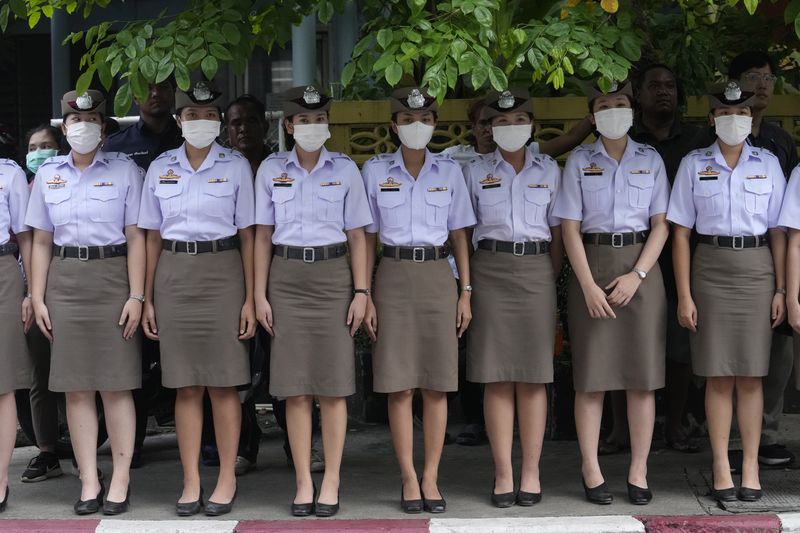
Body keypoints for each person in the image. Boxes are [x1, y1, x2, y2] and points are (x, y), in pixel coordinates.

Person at [138, 79, 256, 517]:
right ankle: (191, 481)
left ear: (219, 120)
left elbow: (249, 236)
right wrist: (145, 296)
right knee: (185, 386)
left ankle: (225, 478)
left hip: (224, 272)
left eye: (209, 115)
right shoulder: (160, 167)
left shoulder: (237, 165)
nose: (201, 122)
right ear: (178, 120)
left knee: (224, 385)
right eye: (192, 115)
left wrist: (250, 297)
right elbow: (150, 237)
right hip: (173, 274)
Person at [25, 90, 145, 515]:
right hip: (65, 281)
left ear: (104, 126)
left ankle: (122, 479)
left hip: (113, 278)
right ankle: (89, 479)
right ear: (64, 127)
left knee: (115, 385)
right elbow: (40, 239)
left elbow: (137, 237)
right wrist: (37, 296)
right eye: (75, 121)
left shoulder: (126, 171)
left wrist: (137, 294)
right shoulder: (49, 175)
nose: (83, 127)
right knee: (76, 388)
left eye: (92, 119)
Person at [254, 85, 370, 517]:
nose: (312, 127)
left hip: (333, 277)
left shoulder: (345, 169)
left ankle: (332, 479)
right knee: (296, 389)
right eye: (303, 121)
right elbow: (262, 236)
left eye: (319, 119)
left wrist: (361, 292)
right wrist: (259, 294)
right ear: (288, 125)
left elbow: (358, 234)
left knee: (333, 388)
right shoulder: (270, 169)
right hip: (285, 278)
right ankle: (304, 481)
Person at [668, 81, 786, 503]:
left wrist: (781, 287)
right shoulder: (692, 163)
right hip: (711, 267)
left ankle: (750, 464)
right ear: (712, 117)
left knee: (752, 375)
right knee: (718, 374)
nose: (734, 120)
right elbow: (679, 233)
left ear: (751, 118)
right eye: (725, 113)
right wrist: (684, 295)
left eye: (742, 113)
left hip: (757, 269)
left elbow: (778, 232)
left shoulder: (768, 163)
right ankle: (720, 464)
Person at [553, 80, 669, 505]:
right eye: (605, 105)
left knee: (642, 379)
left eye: (621, 102)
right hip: (593, 265)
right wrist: (585, 285)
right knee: (592, 378)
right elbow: (568, 225)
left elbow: (661, 224)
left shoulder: (650, 159)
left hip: (641, 269)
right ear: (592, 116)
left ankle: (638, 470)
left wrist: (637, 274)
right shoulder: (579, 160)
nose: (614, 110)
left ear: (632, 109)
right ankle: (591, 468)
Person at [362, 87, 476, 514]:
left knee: (437, 382)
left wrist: (465, 291)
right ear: (394, 125)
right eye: (408, 120)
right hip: (391, 274)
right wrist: (366, 292)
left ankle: (431, 476)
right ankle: (408, 477)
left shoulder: (448, 172)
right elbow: (367, 237)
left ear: (434, 123)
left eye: (425, 118)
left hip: (437, 275)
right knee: (399, 384)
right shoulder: (374, 171)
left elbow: (461, 234)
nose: (417, 127)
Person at [463, 89, 562, 507]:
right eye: (500, 122)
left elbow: (558, 233)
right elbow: (463, 234)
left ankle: (532, 472)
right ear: (489, 128)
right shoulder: (473, 171)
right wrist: (466, 286)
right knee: (497, 375)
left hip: (537, 269)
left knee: (534, 374)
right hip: (489, 269)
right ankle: (504, 473)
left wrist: (548, 276)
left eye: (518, 121)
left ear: (531, 126)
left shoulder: (550, 168)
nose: (509, 129)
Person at [604, 63, 700, 455]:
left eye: (670, 85)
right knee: (618, 341)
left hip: (680, 254)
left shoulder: (697, 139)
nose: (664, 92)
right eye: (654, 86)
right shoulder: (623, 135)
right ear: (637, 96)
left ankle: (674, 425)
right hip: (629, 252)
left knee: (678, 344)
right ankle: (619, 430)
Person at [104, 79, 184, 469]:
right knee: (132, 356)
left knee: (193, 356)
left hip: (186, 261)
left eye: (164, 88)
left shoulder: (189, 137)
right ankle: (130, 444)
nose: (156, 95)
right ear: (135, 95)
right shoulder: (116, 146)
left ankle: (209, 445)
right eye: (147, 88)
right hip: (130, 262)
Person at [732, 51, 797, 468]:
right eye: (753, 76)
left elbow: (790, 216)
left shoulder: (780, 141)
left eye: (768, 78)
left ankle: (768, 433)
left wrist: (786, 282)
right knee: (733, 354)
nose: (762, 84)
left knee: (777, 352)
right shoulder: (713, 140)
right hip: (728, 264)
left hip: (776, 257)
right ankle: (735, 441)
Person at [19, 125, 64, 484]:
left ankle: (90, 449)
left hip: (70, 288)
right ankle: (47, 450)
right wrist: (29, 295)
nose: (40, 152)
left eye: (47, 146)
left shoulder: (65, 183)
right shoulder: (21, 188)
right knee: (40, 376)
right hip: (30, 296)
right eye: (34, 147)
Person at [0, 157, 33, 513]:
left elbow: (25, 237)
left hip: (2, 273)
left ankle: (0, 478)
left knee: (2, 380)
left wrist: (28, 292)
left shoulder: (8, 172)